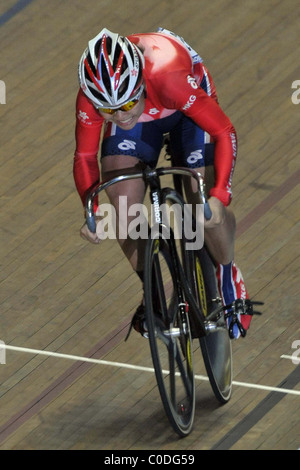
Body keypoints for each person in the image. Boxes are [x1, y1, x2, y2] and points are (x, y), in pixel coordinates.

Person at [73, 27, 253, 339]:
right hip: (146, 120)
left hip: (184, 107)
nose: (119, 116)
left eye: (126, 105)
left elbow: (224, 131)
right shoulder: (95, 98)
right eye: (108, 111)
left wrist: (219, 195)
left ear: (140, 83)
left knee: (204, 212)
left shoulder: (167, 76)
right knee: (122, 212)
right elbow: (85, 155)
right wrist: (91, 209)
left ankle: (227, 270)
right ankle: (152, 291)